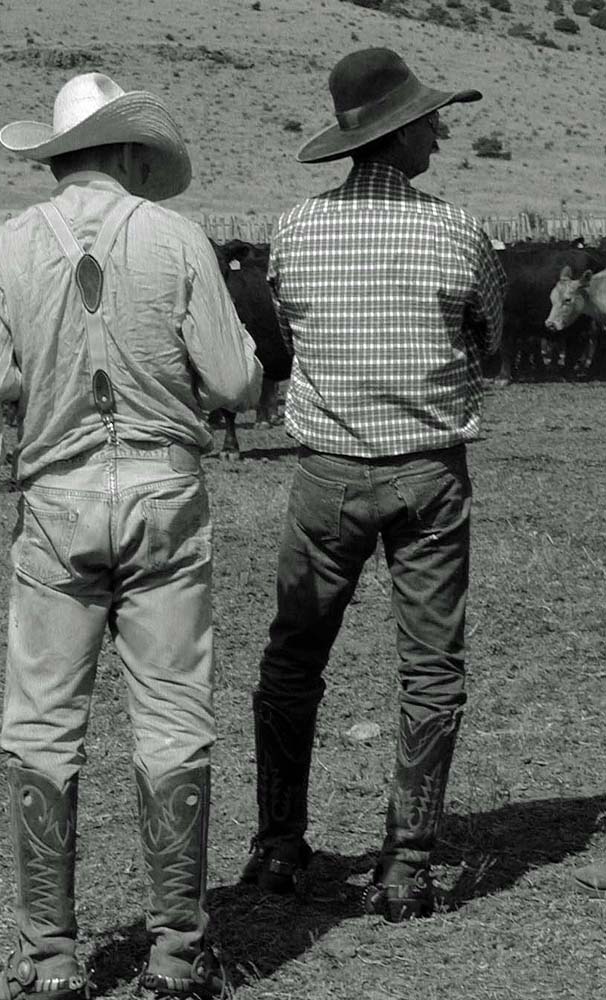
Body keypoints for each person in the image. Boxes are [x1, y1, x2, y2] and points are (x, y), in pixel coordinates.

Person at [0, 72, 261, 999]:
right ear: (128, 153)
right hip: (165, 495)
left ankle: (52, 961)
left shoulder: (5, 249)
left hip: (58, 503)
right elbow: (236, 384)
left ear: (57, 155)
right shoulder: (179, 239)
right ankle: (175, 957)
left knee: (42, 729)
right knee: (173, 724)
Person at [241, 48, 507, 922]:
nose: (442, 127)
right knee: (430, 669)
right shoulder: (460, 231)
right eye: (433, 118)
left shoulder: (294, 229)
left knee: (293, 659)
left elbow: (288, 331)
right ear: (401, 133)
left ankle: (279, 846)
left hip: (324, 476)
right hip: (429, 475)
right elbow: (489, 346)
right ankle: (409, 863)